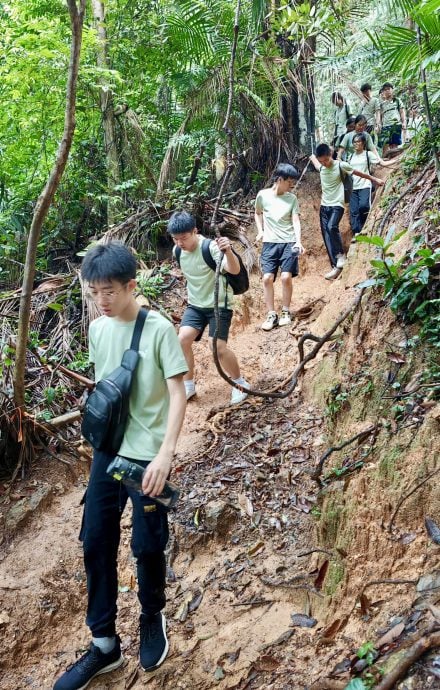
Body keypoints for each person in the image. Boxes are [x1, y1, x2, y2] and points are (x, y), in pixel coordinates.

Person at [53, 242, 188, 690]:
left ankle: (152, 616)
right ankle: (105, 644)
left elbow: (176, 392)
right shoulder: (98, 330)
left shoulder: (159, 329)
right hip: (107, 453)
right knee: (95, 540)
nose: (101, 301)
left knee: (148, 544)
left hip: (147, 455)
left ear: (132, 286)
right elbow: (105, 389)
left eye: (108, 291)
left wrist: (166, 453)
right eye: (94, 292)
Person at [167, 210, 250, 404]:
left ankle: (240, 383)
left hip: (219, 304)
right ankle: (188, 385)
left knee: (218, 347)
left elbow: (234, 270)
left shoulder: (210, 248)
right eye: (175, 239)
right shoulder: (177, 251)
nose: (180, 243)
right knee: (182, 340)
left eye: (184, 238)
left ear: (195, 231)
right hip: (196, 305)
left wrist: (228, 251)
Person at [309, 143, 385, 280]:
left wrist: (375, 179)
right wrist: (312, 157)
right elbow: (315, 163)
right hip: (324, 206)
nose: (324, 163)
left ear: (330, 154)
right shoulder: (321, 167)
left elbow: (358, 173)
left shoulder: (340, 165)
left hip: (337, 205)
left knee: (332, 227)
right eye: (321, 161)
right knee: (327, 235)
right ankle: (335, 267)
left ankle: (341, 256)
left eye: (326, 160)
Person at [254, 163, 304, 331]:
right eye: (290, 181)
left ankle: (285, 311)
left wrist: (298, 241)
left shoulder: (292, 199)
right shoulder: (263, 195)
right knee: (267, 278)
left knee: (285, 277)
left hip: (288, 242)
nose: (292, 185)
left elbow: (295, 221)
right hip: (269, 243)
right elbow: (257, 213)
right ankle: (271, 314)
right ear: (280, 179)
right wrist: (260, 231)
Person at [347, 133, 379, 239]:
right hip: (353, 187)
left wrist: (394, 162)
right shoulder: (350, 156)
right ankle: (357, 232)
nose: (356, 144)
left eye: (358, 141)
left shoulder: (368, 154)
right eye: (354, 142)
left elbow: (380, 162)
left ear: (363, 143)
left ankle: (367, 227)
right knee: (354, 211)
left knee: (364, 206)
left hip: (365, 184)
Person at [379, 82, 406, 155]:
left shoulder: (397, 100)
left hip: (396, 124)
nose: (387, 91)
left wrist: (403, 123)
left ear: (392, 90)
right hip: (385, 126)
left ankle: (395, 161)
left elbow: (402, 112)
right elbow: (381, 116)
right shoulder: (382, 104)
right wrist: (380, 125)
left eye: (389, 89)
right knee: (386, 143)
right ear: (383, 92)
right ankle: (386, 160)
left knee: (395, 144)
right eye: (385, 90)